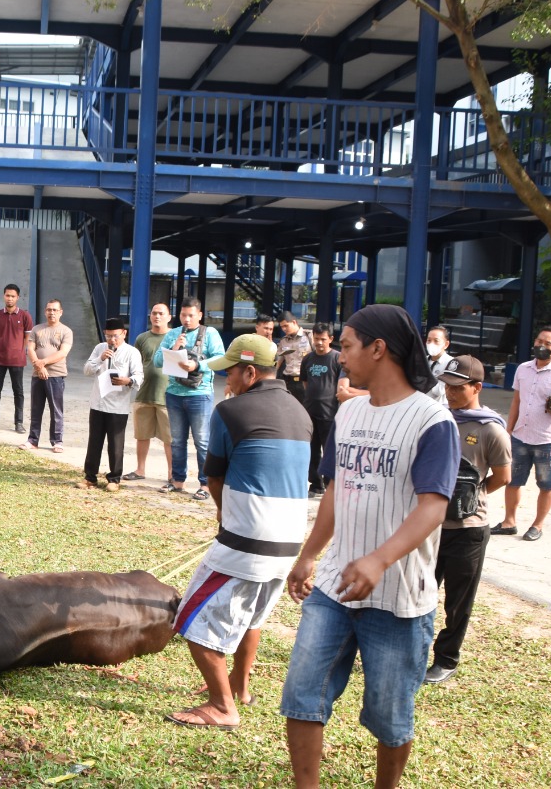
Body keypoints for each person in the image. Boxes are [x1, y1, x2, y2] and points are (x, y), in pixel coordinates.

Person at [281, 304, 459, 789]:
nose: (340, 356)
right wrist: (310, 553)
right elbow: (338, 490)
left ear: (379, 349)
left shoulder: (433, 422)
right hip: (334, 590)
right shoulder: (351, 410)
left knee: (389, 717)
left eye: (348, 346)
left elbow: (432, 507)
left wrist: (380, 559)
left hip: (399, 600)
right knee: (302, 695)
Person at [165, 335, 311, 731]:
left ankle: (222, 706)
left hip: (248, 538)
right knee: (251, 615)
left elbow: (214, 476)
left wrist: (223, 516)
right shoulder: (301, 412)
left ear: (249, 372)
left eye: (229, 371)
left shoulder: (231, 411)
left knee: (191, 619)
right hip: (290, 538)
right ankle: (240, 687)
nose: (224, 379)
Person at [425, 356, 511, 684]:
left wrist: (474, 495)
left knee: (458, 602)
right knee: (420, 593)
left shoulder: (490, 429)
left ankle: (446, 659)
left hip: (468, 530)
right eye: (447, 385)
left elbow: (503, 476)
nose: (450, 392)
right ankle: (414, 651)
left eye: (457, 387)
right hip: (431, 526)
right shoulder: (440, 419)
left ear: (477, 387)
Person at [491, 326, 551, 542]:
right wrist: (508, 431)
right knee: (512, 480)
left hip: (547, 439)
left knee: (547, 484)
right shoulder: (523, 369)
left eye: (548, 343)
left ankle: (537, 525)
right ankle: (509, 521)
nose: (542, 346)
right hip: (520, 435)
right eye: (539, 341)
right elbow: (516, 402)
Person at [154, 298, 226, 500]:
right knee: (177, 441)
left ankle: (206, 484)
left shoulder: (210, 334)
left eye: (191, 315)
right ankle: (177, 480)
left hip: (199, 394)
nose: (187, 319)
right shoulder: (174, 334)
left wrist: (198, 366)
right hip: (174, 393)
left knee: (202, 441)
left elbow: (221, 358)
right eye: (183, 315)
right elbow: (157, 361)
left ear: (200, 315)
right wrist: (175, 348)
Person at [79, 318, 143, 490]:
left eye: (115, 336)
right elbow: (86, 369)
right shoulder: (100, 348)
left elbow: (139, 377)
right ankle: (90, 477)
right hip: (98, 403)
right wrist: (100, 358)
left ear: (124, 333)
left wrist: (127, 380)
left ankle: (114, 479)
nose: (112, 340)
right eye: (108, 336)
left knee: (115, 444)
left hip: (118, 406)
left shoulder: (132, 352)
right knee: (94, 441)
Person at [124, 303, 174, 484]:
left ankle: (172, 473)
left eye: (161, 313)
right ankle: (140, 469)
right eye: (154, 313)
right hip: (143, 393)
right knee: (142, 435)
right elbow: (135, 364)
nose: (157, 316)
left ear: (169, 316)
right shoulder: (142, 338)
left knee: (169, 438)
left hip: (167, 395)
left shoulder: (175, 337)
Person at [22, 300, 74, 453]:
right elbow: (30, 349)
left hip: (56, 375)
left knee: (56, 409)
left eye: (55, 310)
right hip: (37, 375)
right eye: (49, 310)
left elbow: (63, 352)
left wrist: (42, 363)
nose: (51, 312)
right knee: (36, 409)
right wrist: (38, 366)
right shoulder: (37, 329)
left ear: (60, 312)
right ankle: (32, 440)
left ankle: (57, 441)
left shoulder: (66, 331)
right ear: (45, 312)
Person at [299, 323, 341, 498]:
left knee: (329, 451)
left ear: (330, 339)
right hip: (310, 411)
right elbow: (305, 382)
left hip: (330, 413)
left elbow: (342, 384)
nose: (319, 343)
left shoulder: (337, 359)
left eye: (323, 339)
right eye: (316, 339)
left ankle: (330, 484)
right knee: (312, 450)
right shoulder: (308, 359)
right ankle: (315, 485)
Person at [0, 284, 34, 433]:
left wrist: (18, 350)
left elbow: (27, 337)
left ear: (18, 297)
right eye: (7, 295)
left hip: (17, 360)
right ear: (4, 296)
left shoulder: (25, 316)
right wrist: (3, 346)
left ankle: (18, 422)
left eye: (13, 296)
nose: (10, 298)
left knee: (18, 391)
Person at [276, 312, 312, 404]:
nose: (284, 329)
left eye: (286, 326)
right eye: (282, 327)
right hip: (287, 381)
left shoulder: (309, 336)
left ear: (294, 322)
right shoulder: (283, 341)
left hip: (304, 381)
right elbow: (278, 361)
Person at [425, 326, 457, 406]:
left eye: (436, 341)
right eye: (429, 340)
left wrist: (423, 378)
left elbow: (439, 390)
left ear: (446, 344)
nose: (431, 344)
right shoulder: (422, 361)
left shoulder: (451, 363)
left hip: (439, 407)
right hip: (421, 407)